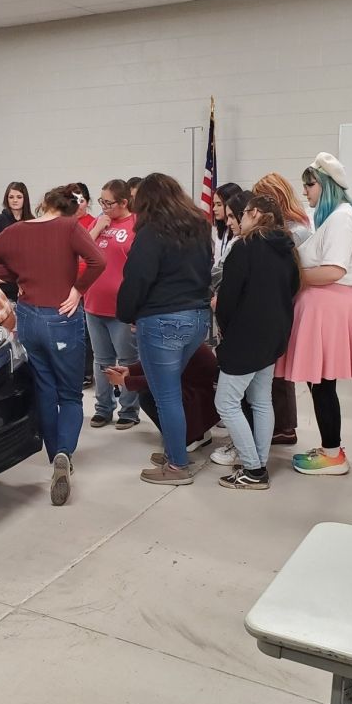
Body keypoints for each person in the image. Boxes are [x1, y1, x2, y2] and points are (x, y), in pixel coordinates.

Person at [0, 184, 106, 506]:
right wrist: (78, 290)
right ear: (71, 210)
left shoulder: (16, 230)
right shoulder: (70, 227)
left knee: (44, 387)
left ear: (44, 203)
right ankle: (64, 453)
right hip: (61, 316)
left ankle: (52, 456)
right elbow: (97, 261)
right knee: (70, 393)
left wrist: (15, 276)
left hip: (28, 317)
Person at [276, 153, 352, 476]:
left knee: (324, 385)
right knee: (321, 385)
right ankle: (331, 447)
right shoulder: (335, 218)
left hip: (329, 309)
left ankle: (333, 454)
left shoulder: (343, 219)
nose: (306, 193)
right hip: (325, 308)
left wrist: (294, 275)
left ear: (327, 185)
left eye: (310, 185)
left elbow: (332, 270)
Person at [117, 173, 212, 486]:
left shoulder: (151, 232)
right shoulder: (200, 228)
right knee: (170, 391)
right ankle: (176, 453)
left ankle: (176, 467)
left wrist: (128, 313)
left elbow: (137, 279)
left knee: (166, 396)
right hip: (197, 319)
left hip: (162, 322)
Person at [214, 194, 300, 490]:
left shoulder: (245, 248)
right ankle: (258, 463)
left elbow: (227, 299)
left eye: (242, 214)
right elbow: (294, 286)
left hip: (246, 336)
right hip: (274, 334)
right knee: (260, 400)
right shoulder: (286, 248)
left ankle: (253, 469)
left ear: (256, 214)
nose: (237, 220)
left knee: (226, 402)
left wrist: (225, 327)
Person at [252, 172, 312, 446]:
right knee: (276, 367)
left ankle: (285, 426)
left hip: (287, 301)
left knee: (280, 370)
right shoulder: (290, 226)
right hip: (279, 300)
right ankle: (280, 424)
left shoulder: (296, 229)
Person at [84, 179, 140, 431]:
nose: (104, 207)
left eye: (109, 203)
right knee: (101, 359)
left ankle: (129, 410)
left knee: (126, 359)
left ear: (124, 202)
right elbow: (80, 251)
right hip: (93, 303)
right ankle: (103, 408)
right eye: (102, 202)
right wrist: (98, 227)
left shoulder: (136, 223)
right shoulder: (99, 221)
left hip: (121, 306)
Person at [105, 343, 219, 460]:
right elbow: (157, 363)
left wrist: (125, 381)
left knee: (151, 396)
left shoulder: (172, 340)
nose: (132, 328)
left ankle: (188, 438)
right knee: (149, 394)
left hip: (200, 395)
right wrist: (130, 370)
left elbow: (163, 377)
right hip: (197, 390)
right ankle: (192, 433)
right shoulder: (176, 336)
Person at [0, 182, 33, 301]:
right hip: (5, 282)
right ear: (6, 199)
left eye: (19, 197)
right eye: (11, 197)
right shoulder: (0, 220)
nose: (15, 200)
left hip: (26, 281)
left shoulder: (31, 221)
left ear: (25, 199)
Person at [74, 182, 95, 387]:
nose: (77, 204)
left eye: (81, 200)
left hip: (88, 285)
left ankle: (87, 371)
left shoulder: (94, 222)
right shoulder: (63, 222)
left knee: (87, 331)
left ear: (87, 202)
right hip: (67, 284)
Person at [211, 190, 253, 294]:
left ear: (244, 215)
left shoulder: (243, 246)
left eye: (232, 216)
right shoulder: (234, 242)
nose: (228, 223)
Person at [212, 182, 242, 267]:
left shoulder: (239, 231)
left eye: (219, 204)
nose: (214, 209)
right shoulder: (221, 230)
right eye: (214, 204)